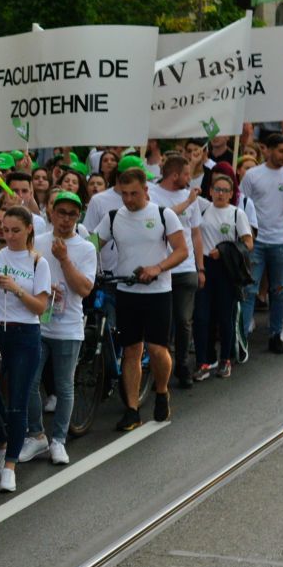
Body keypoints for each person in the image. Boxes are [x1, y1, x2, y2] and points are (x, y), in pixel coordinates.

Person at [99, 167, 187, 431]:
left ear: (146, 190)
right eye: (124, 194)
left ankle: (161, 391)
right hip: (127, 292)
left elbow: (182, 251)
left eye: (134, 193)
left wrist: (157, 268)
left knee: (158, 349)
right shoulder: (113, 217)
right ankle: (132, 409)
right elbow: (91, 243)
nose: (128, 199)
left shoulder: (163, 214)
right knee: (131, 351)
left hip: (158, 292)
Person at [0, 207, 52, 493]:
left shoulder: (37, 262)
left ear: (29, 229)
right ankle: (3, 441)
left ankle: (10, 465)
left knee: (18, 401)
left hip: (24, 334)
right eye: (3, 230)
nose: (8, 235)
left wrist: (16, 289)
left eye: (14, 230)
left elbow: (41, 307)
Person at [27, 191, 97, 461]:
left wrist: (65, 259)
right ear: (51, 213)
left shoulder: (86, 247)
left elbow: (84, 288)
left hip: (68, 327)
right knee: (31, 383)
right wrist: (45, 289)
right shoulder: (38, 242)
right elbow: (28, 279)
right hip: (39, 324)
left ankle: (59, 440)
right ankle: (37, 435)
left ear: (77, 216)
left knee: (64, 385)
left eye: (71, 214)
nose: (65, 219)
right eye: (61, 212)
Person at [240, 133, 283, 354]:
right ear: (266, 149)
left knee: (279, 290)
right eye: (281, 151)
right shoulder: (252, 175)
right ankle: (242, 337)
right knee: (249, 290)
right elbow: (242, 207)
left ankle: (275, 334)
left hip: (282, 241)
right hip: (257, 241)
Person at [147, 154, 204, 392]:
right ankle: (159, 368)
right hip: (160, 268)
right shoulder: (152, 193)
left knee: (183, 320)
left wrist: (200, 267)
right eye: (186, 174)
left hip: (185, 268)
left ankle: (182, 365)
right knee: (161, 322)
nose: (189, 179)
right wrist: (188, 202)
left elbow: (196, 234)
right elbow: (161, 219)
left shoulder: (190, 197)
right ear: (174, 176)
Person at [190, 173, 253, 380]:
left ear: (232, 194)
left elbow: (248, 243)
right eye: (217, 189)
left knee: (225, 317)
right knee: (201, 317)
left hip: (226, 268)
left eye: (225, 190)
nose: (220, 194)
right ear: (210, 191)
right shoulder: (204, 208)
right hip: (205, 266)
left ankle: (226, 359)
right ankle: (203, 361)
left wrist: (225, 249)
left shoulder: (237, 214)